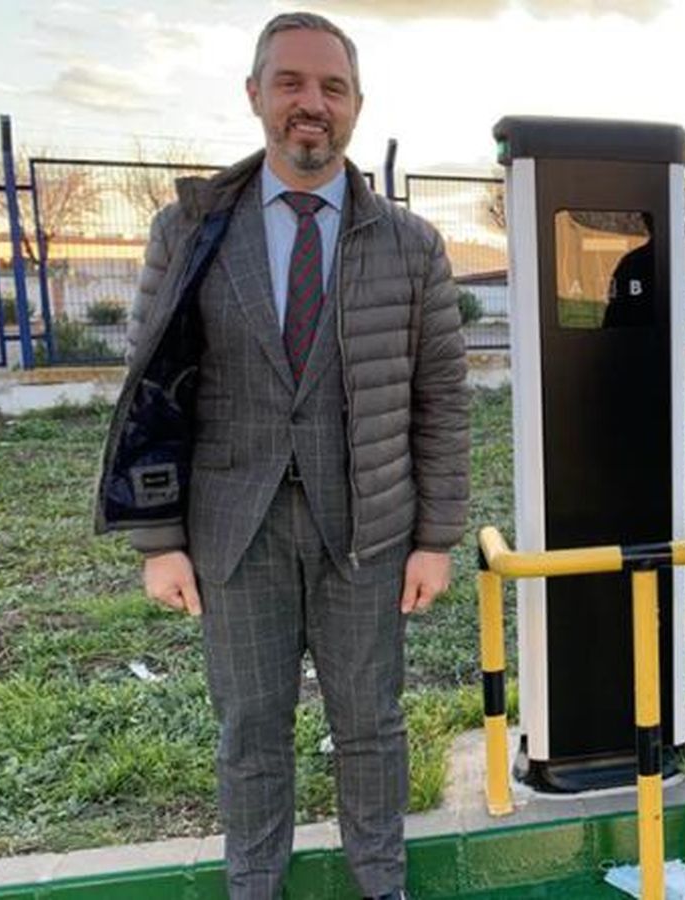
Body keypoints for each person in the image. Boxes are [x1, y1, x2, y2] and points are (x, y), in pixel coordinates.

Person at [94, 12, 468, 900]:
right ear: (256, 95)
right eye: (292, 84)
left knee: (371, 727)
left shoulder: (411, 247)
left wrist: (436, 537)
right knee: (251, 731)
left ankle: (383, 884)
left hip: (368, 532)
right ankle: (253, 885)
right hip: (235, 533)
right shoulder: (189, 233)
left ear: (356, 107)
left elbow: (441, 400)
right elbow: (151, 385)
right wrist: (158, 538)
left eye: (332, 88)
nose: (312, 104)